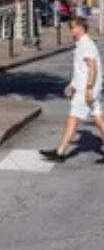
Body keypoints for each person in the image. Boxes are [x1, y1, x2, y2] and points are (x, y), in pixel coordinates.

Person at [40, 15, 104, 162]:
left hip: (86, 89)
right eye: (70, 27)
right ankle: (60, 151)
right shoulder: (82, 43)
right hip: (87, 87)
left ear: (81, 28)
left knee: (72, 118)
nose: (71, 31)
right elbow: (82, 70)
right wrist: (72, 84)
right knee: (98, 118)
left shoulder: (85, 44)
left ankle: (60, 152)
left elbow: (92, 68)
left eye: (73, 27)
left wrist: (88, 88)